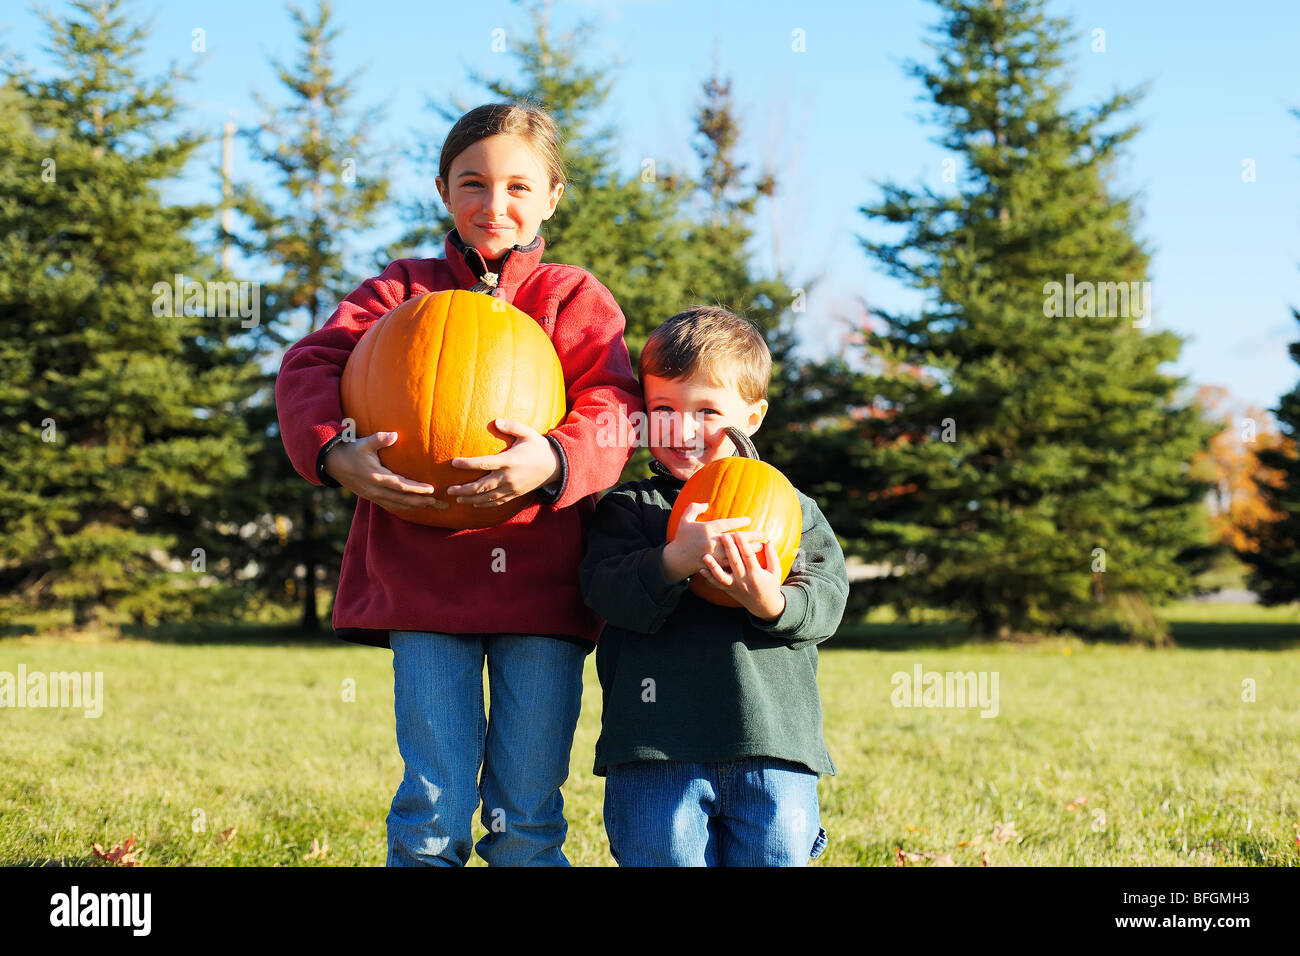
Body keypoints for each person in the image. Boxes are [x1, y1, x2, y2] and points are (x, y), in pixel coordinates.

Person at [274, 102, 642, 866]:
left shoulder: (573, 298)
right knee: (432, 806)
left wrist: (553, 459)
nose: (493, 204)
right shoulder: (398, 292)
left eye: (517, 186)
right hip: (423, 582)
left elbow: (615, 407)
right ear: (443, 190)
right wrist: (335, 453)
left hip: (541, 587)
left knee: (527, 811)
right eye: (472, 183)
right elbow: (309, 367)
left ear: (552, 197)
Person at [579, 306, 849, 866]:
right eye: (663, 410)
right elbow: (603, 592)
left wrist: (771, 602)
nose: (682, 429)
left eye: (707, 411)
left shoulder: (792, 508)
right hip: (656, 749)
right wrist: (673, 561)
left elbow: (827, 598)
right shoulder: (632, 509)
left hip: (773, 744)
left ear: (752, 416)